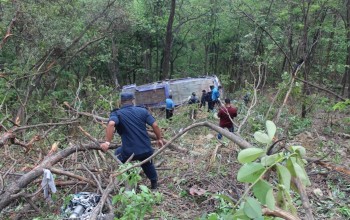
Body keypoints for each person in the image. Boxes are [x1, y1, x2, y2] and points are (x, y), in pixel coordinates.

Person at [100, 92, 164, 189]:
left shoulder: (117, 113)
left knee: (118, 154)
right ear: (133, 100)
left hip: (130, 152)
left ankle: (129, 179)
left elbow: (111, 124)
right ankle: (154, 185)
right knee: (146, 162)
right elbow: (155, 125)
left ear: (120, 102)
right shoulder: (143, 111)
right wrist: (159, 139)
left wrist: (107, 142)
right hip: (146, 150)